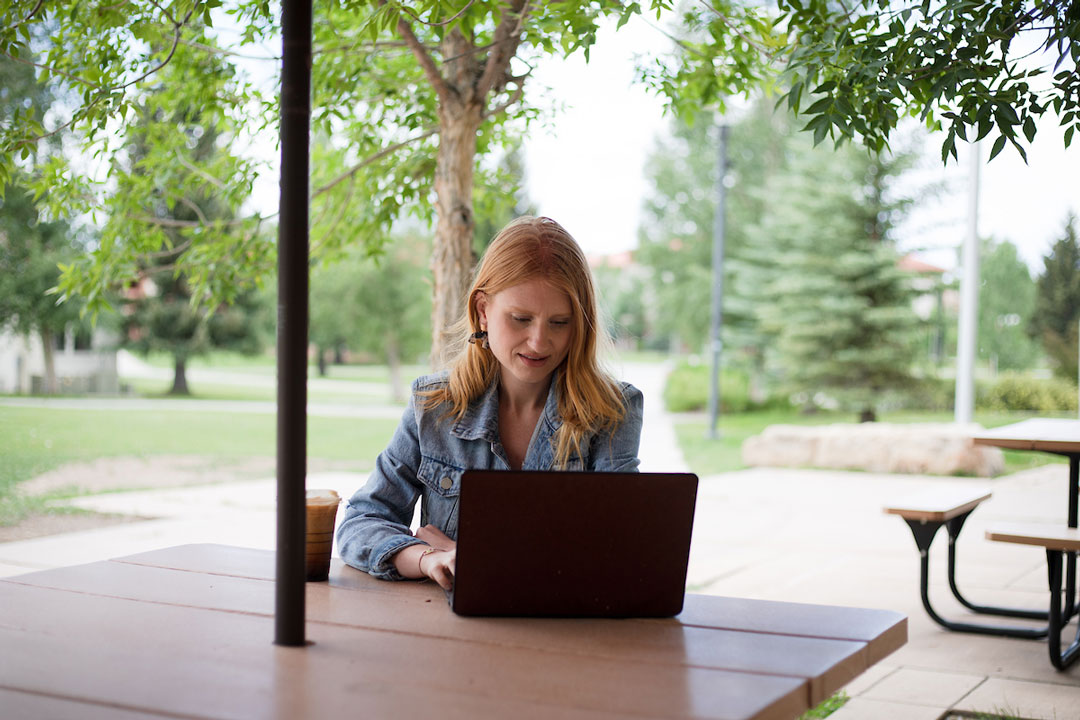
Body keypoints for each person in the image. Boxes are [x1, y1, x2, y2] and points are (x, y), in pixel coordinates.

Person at [336, 216, 644, 590]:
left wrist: (469, 556)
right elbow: (361, 521)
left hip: (566, 640)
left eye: (559, 323)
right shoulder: (434, 406)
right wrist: (429, 557)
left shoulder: (612, 412)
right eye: (521, 319)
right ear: (483, 310)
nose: (538, 342)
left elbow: (620, 554)